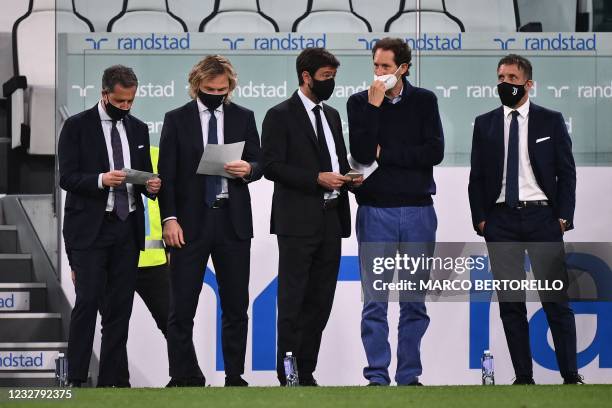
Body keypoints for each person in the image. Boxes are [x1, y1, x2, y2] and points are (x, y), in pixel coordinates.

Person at [468, 54, 583, 385]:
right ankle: (523, 377)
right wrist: (481, 221)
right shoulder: (485, 123)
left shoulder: (551, 120)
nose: (505, 83)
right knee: (511, 304)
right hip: (500, 222)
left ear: (528, 84)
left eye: (512, 78)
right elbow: (477, 177)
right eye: (501, 77)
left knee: (555, 301)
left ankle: (570, 376)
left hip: (542, 219)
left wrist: (562, 217)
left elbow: (567, 173)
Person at [158, 55, 262, 387]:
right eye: (209, 89)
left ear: (230, 87)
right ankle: (182, 375)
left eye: (222, 89)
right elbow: (168, 175)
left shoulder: (243, 117)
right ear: (196, 86)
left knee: (235, 306)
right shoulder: (176, 119)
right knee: (181, 308)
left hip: (232, 223)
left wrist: (249, 170)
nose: (216, 93)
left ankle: (235, 376)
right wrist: (169, 219)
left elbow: (259, 161)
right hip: (189, 224)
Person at [347, 37, 444, 386]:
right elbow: (360, 154)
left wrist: (385, 154)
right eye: (375, 65)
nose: (379, 72)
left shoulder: (424, 101)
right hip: (375, 211)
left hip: (418, 211)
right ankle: (376, 375)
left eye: (385, 67)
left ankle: (409, 375)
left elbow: (434, 152)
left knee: (414, 300)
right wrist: (374, 109)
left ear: (403, 68)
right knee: (375, 301)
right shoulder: (359, 102)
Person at [262, 47, 360, 386]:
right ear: (306, 77)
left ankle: (307, 370)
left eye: (333, 77)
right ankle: (287, 373)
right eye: (325, 78)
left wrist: (350, 174)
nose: (331, 83)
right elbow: (271, 166)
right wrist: (315, 178)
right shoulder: (280, 115)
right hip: (297, 222)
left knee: (320, 300)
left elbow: (337, 158)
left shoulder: (331, 115)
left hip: (333, 219)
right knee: (292, 300)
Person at [58, 65, 161, 387]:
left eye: (130, 101)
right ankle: (75, 378)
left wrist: (151, 186)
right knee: (87, 303)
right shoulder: (76, 127)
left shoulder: (139, 128)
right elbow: (67, 178)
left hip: (126, 227)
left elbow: (143, 174)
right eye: (120, 101)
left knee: (120, 309)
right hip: (90, 229)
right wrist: (101, 180)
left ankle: (112, 382)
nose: (126, 107)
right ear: (104, 94)